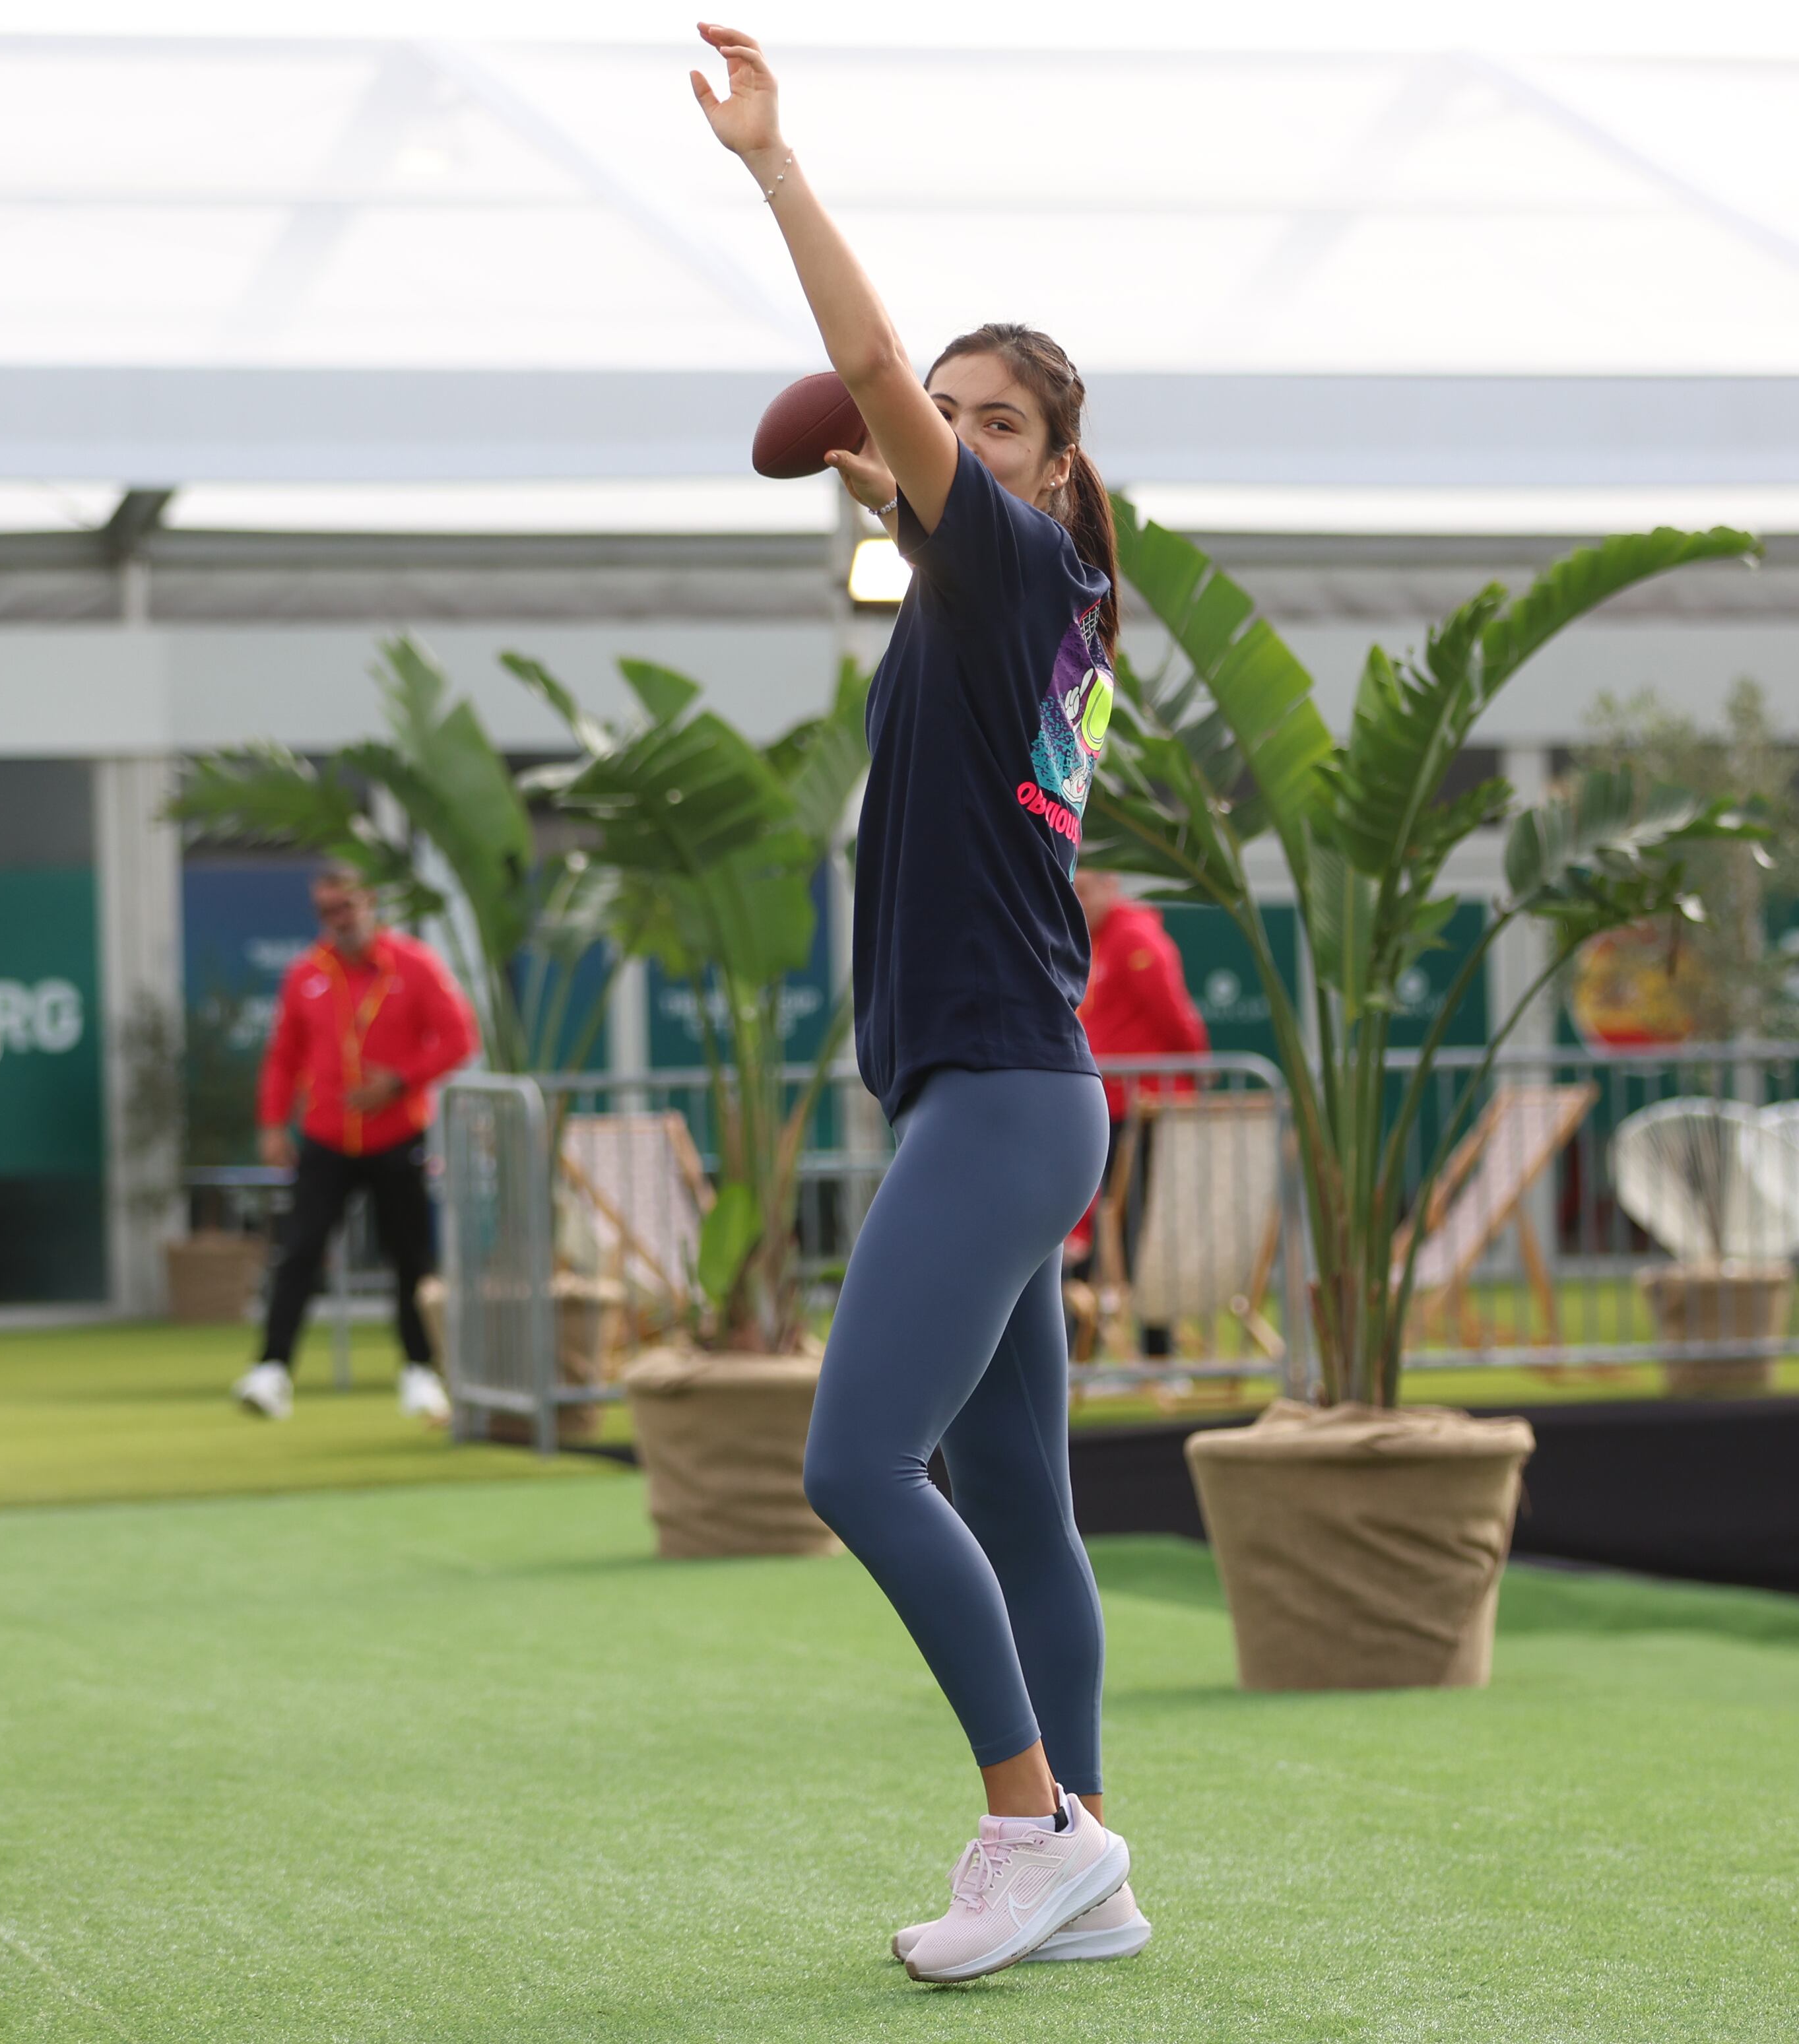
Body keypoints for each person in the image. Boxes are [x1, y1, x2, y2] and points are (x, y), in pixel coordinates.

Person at [693, 25, 1137, 1985]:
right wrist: (901, 488)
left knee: (852, 1464)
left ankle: (1029, 1823)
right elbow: (922, 499)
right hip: (1017, 1092)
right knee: (1019, 1499)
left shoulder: (1024, 570)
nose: (946, 430)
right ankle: (1088, 1876)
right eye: (950, 412)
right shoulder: (1020, 613)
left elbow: (876, 381)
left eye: (990, 420)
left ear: (1052, 470)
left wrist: (776, 171)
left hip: (1004, 1102)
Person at [236, 866, 476, 1424]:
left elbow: (461, 1038)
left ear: (370, 902)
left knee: (410, 1257)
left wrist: (398, 1079)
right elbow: (283, 1055)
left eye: (345, 907)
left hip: (396, 1132)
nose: (337, 921)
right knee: (299, 1251)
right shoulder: (306, 974)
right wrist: (273, 1124)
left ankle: (420, 1370)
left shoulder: (414, 964)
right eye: (326, 911)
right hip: (326, 1135)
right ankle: (272, 1370)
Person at [1070, 870, 1208, 1361]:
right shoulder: (1098, 939)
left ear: (1111, 886)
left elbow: (1175, 1015)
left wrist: (1196, 1072)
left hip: (1145, 1108)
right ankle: (1077, 1342)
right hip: (1109, 1106)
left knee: (1142, 1229)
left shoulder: (1134, 938)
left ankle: (1154, 1349)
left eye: (1085, 889)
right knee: (1089, 1221)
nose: (1076, 899)